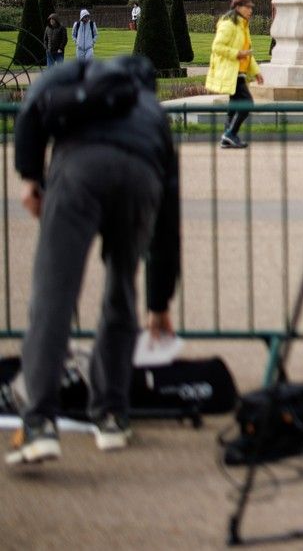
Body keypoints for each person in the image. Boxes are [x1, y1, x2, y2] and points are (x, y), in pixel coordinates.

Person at [6, 55, 181, 466]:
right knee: (121, 290)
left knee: (55, 292)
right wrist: (158, 303)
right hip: (142, 177)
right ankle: (112, 414)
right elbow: (168, 223)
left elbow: (33, 106)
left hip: (80, 168)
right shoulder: (154, 112)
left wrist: (31, 176)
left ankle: (39, 423)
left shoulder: (80, 74)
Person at [206, 0, 263, 149]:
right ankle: (230, 134)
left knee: (234, 105)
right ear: (238, 8)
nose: (251, 10)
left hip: (240, 72)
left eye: (251, 7)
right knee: (247, 104)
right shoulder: (229, 24)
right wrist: (237, 54)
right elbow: (217, 47)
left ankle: (227, 136)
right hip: (232, 72)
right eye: (248, 7)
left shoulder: (242, 25)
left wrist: (256, 72)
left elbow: (247, 53)